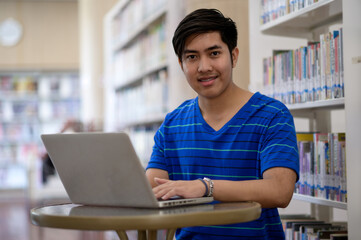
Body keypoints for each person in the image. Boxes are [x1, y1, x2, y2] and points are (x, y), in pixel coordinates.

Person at [145, 8, 299, 240]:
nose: (204, 66)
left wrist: (205, 187)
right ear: (181, 63)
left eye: (214, 53)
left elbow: (280, 191)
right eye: (192, 57)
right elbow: (151, 191)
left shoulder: (272, 115)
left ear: (234, 56)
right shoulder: (172, 124)